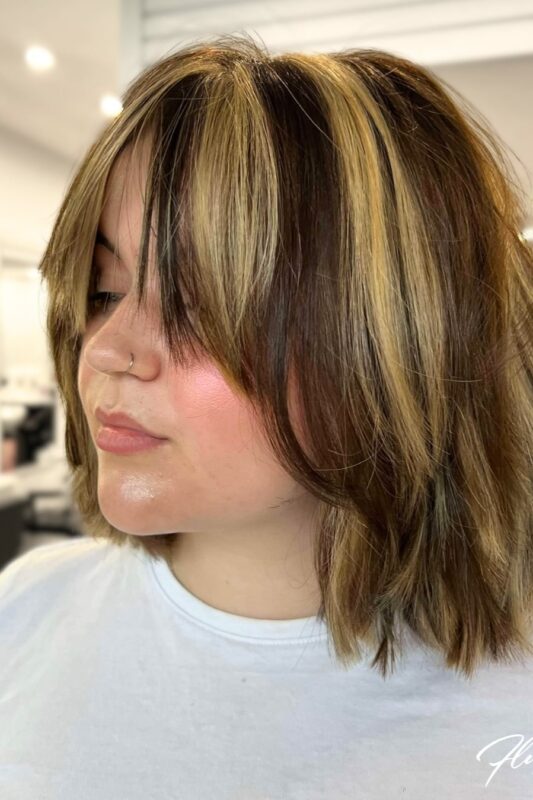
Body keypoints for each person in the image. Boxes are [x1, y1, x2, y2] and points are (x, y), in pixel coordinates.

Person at [1, 32, 532, 799]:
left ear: (386, 345)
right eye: (102, 291)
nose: (109, 349)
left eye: (202, 303)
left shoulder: (503, 715)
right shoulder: (28, 607)